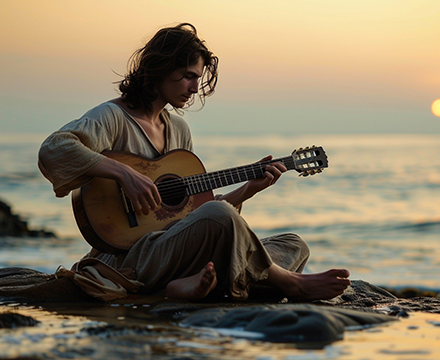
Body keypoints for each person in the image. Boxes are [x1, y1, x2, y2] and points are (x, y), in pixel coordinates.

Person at [38, 23, 350, 302]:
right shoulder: (112, 118)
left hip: (174, 249)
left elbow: (193, 217)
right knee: (223, 217)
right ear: (160, 69)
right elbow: (54, 150)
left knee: (293, 244)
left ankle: (181, 286)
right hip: (132, 255)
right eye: (187, 76)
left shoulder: (179, 131)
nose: (194, 87)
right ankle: (287, 283)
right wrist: (124, 174)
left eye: (197, 78)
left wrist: (247, 191)